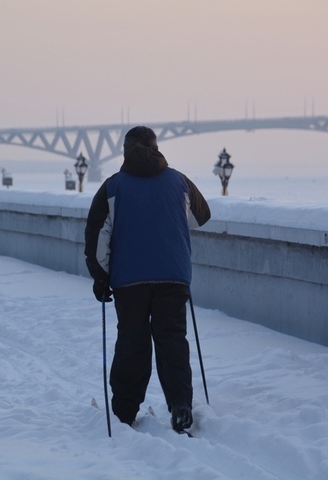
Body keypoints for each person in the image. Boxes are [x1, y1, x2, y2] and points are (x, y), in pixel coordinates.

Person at [84, 125, 211, 431]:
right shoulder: (179, 181)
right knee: (172, 340)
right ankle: (180, 404)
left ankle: (124, 412)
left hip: (129, 279)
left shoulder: (113, 187)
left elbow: (97, 236)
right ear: (156, 148)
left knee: (132, 342)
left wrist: (100, 276)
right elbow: (200, 216)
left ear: (125, 151)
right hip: (173, 274)